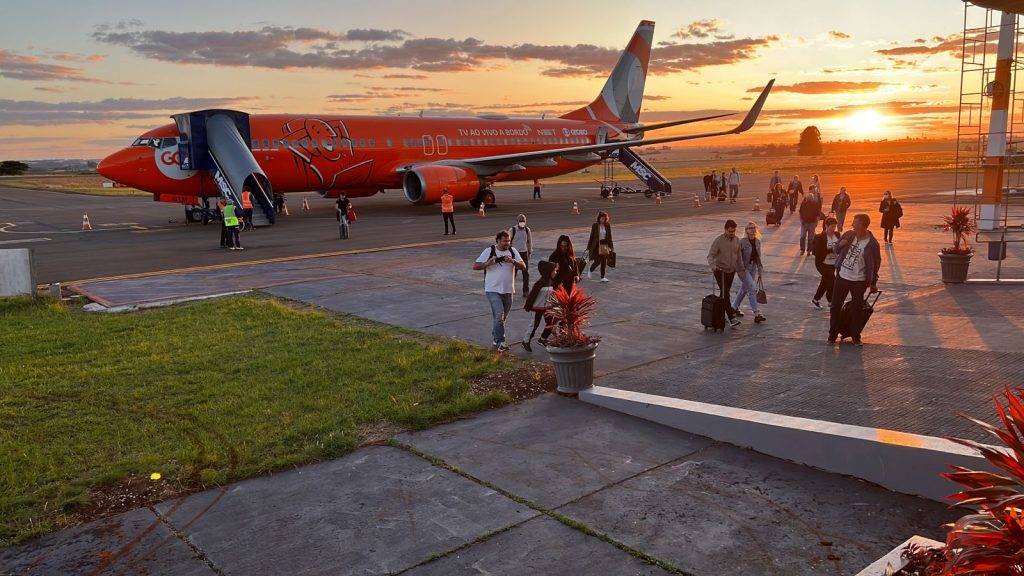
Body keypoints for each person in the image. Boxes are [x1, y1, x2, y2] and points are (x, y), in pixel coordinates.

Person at [828, 213, 881, 346]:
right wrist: (841, 244)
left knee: (857, 308)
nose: (852, 225)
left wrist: (873, 283)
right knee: (835, 307)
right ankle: (832, 335)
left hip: (859, 281)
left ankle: (856, 336)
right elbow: (836, 249)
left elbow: (876, 264)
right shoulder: (848, 235)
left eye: (855, 223)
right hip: (842, 277)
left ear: (863, 225)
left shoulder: (872, 243)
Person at [473, 230, 526, 352]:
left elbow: (523, 267)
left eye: (508, 241)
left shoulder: (513, 251)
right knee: (499, 315)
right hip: (492, 289)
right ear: (497, 241)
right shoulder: (489, 251)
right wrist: (488, 263)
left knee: (501, 318)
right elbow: (475, 266)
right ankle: (501, 342)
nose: (507, 243)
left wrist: (512, 261)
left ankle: (495, 339)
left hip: (508, 290)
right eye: (504, 241)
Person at [707, 219, 744, 327]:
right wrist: (713, 267)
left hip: (731, 271)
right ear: (725, 230)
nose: (732, 233)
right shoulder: (719, 240)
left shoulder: (737, 240)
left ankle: (719, 315)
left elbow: (739, 256)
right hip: (720, 271)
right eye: (730, 231)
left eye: (734, 231)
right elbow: (710, 255)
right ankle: (731, 317)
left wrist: (741, 269)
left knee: (723, 294)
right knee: (725, 294)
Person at [521, 260, 559, 351]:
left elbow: (552, 295)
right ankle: (526, 341)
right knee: (534, 325)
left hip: (547, 307)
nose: (556, 272)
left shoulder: (551, 281)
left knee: (552, 322)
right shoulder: (540, 283)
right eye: (554, 270)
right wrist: (528, 306)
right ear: (548, 271)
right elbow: (532, 296)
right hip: (537, 308)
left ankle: (543, 339)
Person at [732, 221, 766, 323]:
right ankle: (756, 313)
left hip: (753, 268)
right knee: (752, 288)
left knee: (744, 289)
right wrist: (740, 268)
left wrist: (760, 269)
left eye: (754, 227)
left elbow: (758, 257)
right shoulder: (742, 242)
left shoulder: (757, 242)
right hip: (743, 269)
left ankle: (733, 307)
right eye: (750, 228)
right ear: (746, 230)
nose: (752, 229)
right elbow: (737, 256)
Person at [812, 216, 842, 309]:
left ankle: (816, 299)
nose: (833, 229)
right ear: (826, 226)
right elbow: (816, 252)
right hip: (822, 264)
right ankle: (830, 301)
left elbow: (841, 247)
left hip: (833, 263)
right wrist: (831, 250)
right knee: (831, 281)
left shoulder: (837, 235)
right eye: (831, 226)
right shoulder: (819, 237)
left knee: (825, 281)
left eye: (834, 226)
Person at [586, 211, 614, 282]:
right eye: (601, 218)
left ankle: (602, 277)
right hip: (596, 245)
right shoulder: (595, 225)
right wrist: (588, 246)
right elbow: (591, 236)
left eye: (604, 219)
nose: (603, 220)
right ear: (599, 218)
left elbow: (609, 236)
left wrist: (611, 246)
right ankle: (590, 270)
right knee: (597, 261)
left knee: (604, 261)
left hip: (604, 244)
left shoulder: (607, 225)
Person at [509, 214, 533, 295]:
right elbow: (508, 242)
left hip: (524, 253)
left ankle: (526, 290)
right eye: (521, 221)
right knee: (513, 272)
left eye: (524, 221)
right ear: (517, 221)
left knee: (525, 273)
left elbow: (529, 241)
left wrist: (529, 252)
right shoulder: (512, 230)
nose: (522, 223)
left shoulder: (527, 230)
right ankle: (510, 289)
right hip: (515, 253)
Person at [798, 188, 822, 255]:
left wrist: (816, 222)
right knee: (803, 236)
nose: (809, 199)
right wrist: (801, 220)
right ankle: (802, 249)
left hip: (812, 223)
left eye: (810, 198)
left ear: (812, 198)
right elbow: (800, 212)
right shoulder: (803, 204)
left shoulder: (815, 205)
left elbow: (818, 214)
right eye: (808, 197)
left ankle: (809, 250)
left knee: (810, 238)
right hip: (804, 223)